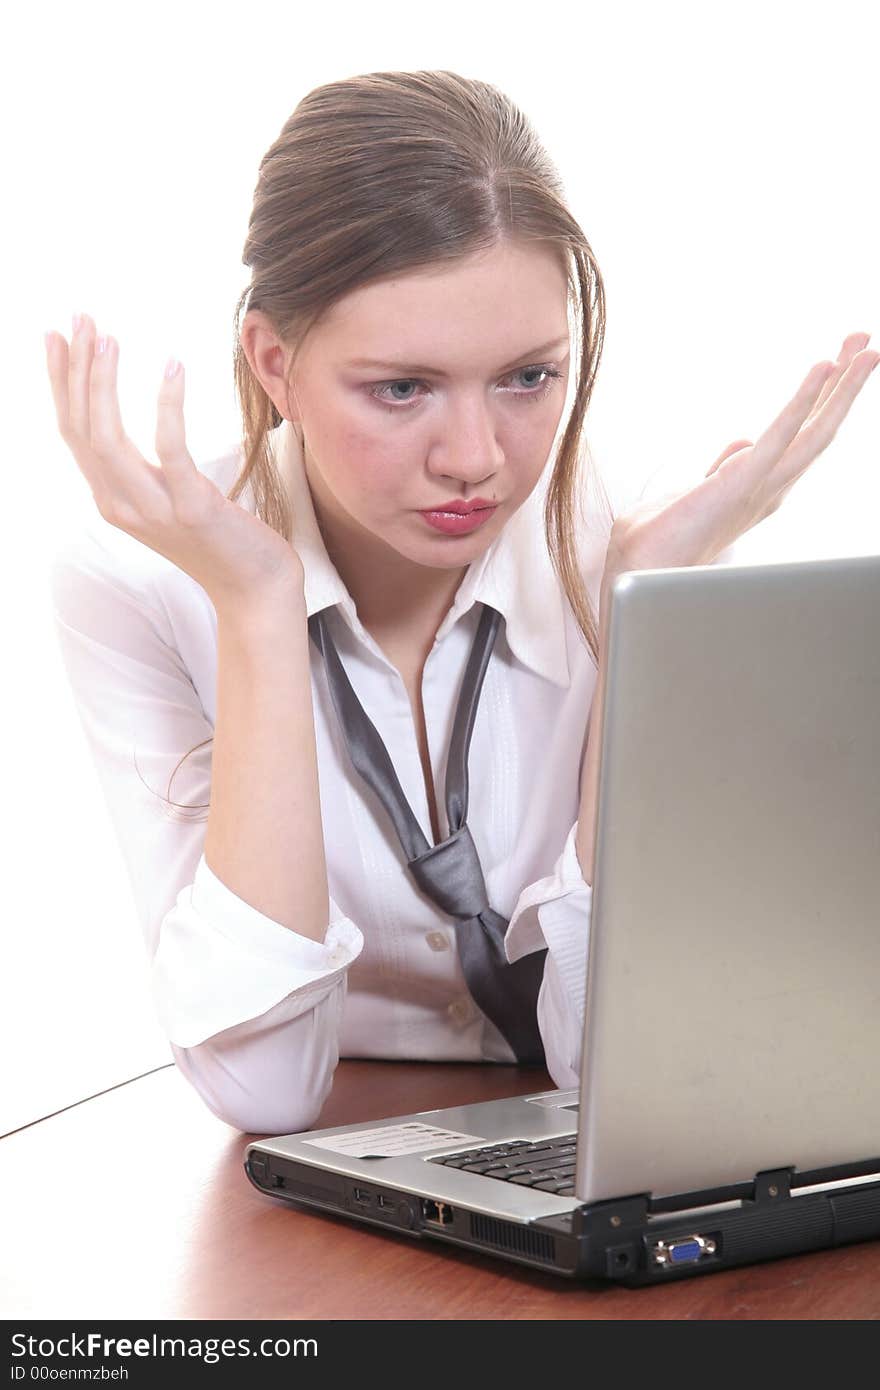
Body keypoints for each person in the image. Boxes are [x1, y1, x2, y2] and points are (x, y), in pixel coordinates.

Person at [44, 70, 878, 1136]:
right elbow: (261, 1087)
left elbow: (618, 1071)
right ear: (271, 363)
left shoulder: (629, 536)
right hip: (328, 1217)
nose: (476, 460)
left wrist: (639, 630)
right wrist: (259, 610)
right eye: (402, 388)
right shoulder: (139, 581)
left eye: (528, 377)